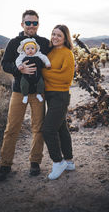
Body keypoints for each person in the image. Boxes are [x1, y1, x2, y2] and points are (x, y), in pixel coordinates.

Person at [0, 10, 50, 182]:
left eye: (34, 23)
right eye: (28, 23)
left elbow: (56, 55)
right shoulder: (14, 43)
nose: (31, 26)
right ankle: (5, 164)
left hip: (38, 93)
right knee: (12, 127)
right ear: (22, 24)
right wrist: (19, 70)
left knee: (38, 128)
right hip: (19, 91)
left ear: (38, 24)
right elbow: (5, 64)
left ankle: (35, 162)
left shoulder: (43, 42)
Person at [42, 24, 75, 180]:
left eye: (59, 35)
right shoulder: (50, 52)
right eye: (53, 34)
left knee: (48, 129)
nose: (55, 37)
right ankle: (69, 161)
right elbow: (54, 73)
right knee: (61, 128)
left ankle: (58, 162)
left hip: (60, 96)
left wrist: (43, 72)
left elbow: (65, 78)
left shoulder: (67, 54)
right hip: (50, 95)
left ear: (65, 38)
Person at [15, 37, 51, 104]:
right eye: (28, 49)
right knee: (23, 84)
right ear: (24, 50)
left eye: (32, 48)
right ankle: (25, 96)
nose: (30, 50)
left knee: (41, 84)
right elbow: (18, 60)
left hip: (37, 75)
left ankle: (39, 94)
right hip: (26, 76)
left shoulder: (38, 54)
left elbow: (44, 58)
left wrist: (47, 63)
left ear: (36, 49)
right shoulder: (22, 55)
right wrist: (19, 66)